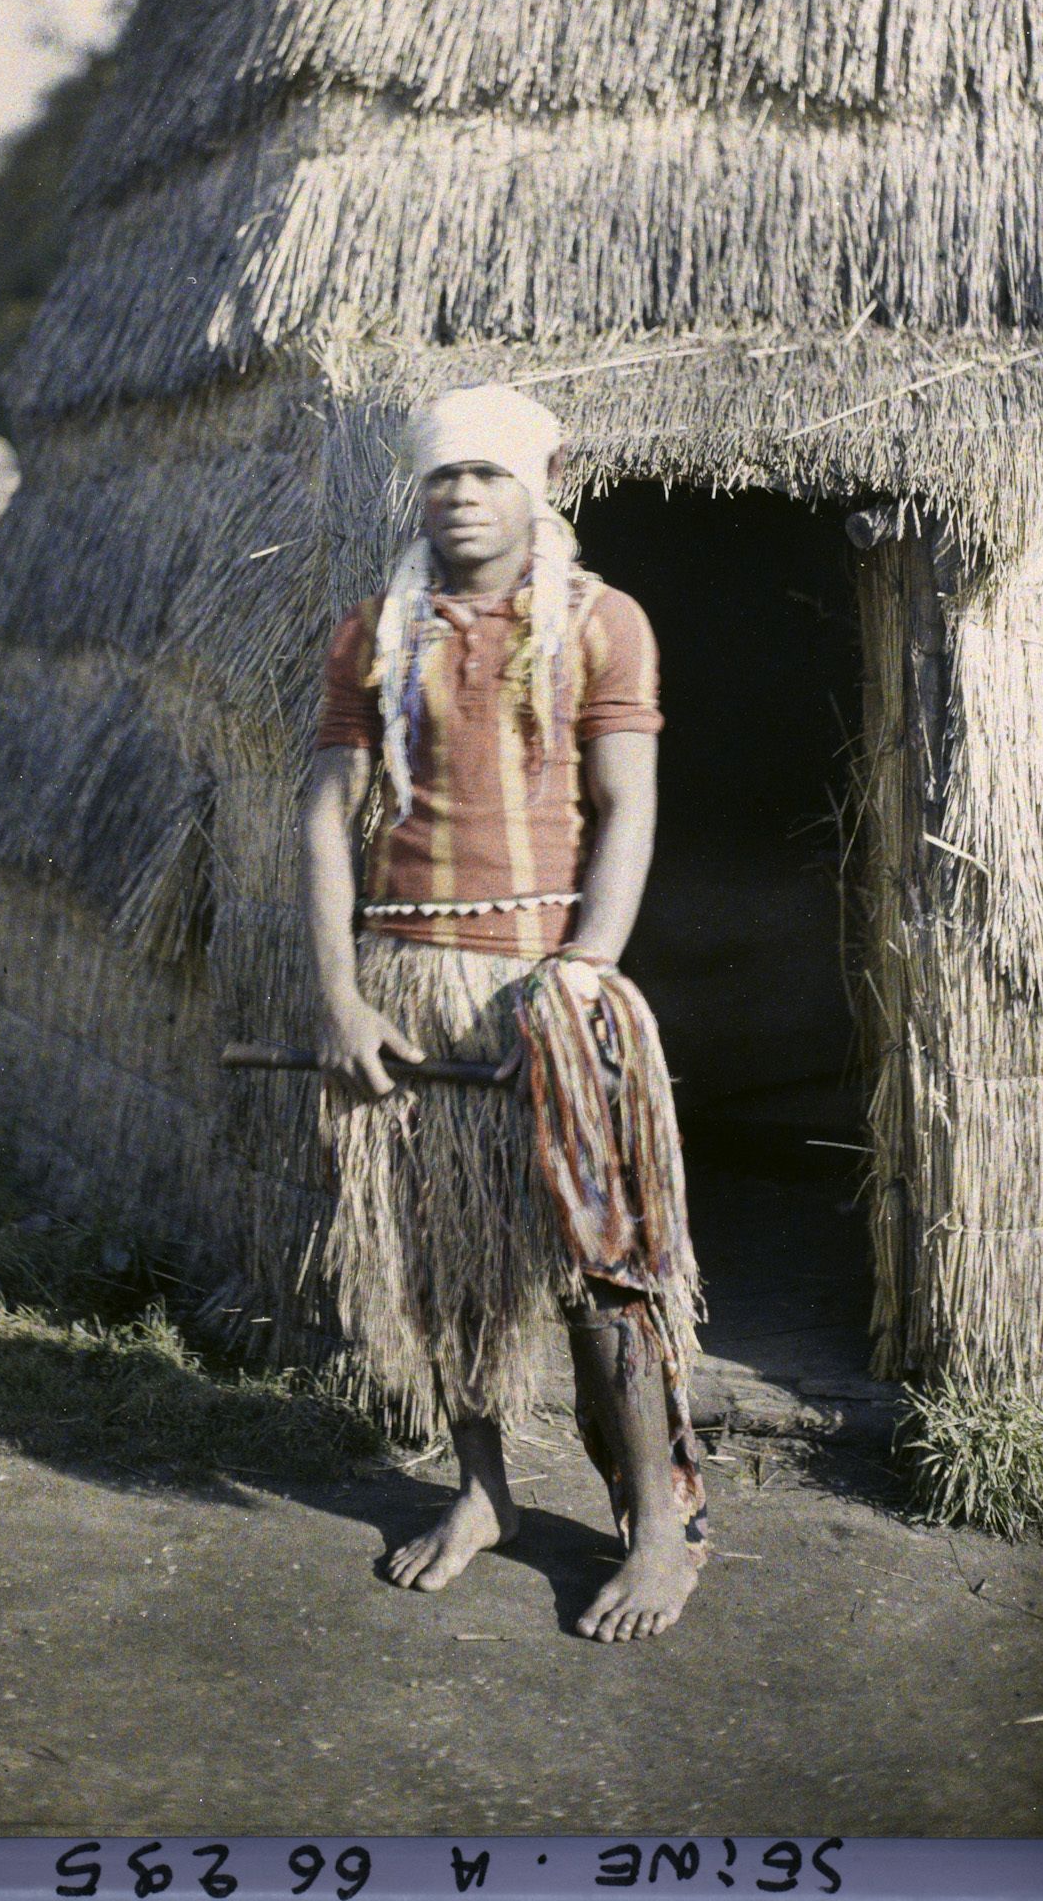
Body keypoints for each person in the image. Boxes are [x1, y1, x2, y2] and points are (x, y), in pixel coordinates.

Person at [300, 382, 706, 1643]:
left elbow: (627, 803)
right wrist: (341, 998)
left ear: (539, 487)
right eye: (441, 476)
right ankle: (482, 1492)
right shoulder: (375, 630)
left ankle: (658, 1526)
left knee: (604, 1266)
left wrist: (587, 963)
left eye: (485, 473)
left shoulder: (603, 622)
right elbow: (325, 813)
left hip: (549, 983)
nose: (461, 494)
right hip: (408, 981)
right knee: (443, 1266)